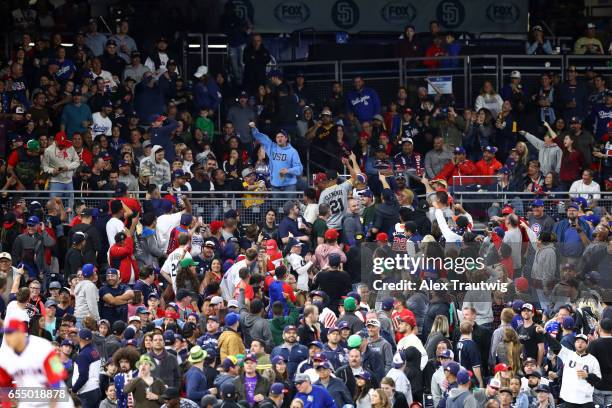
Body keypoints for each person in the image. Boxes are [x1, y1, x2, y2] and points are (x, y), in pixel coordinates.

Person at [0, 318, 73, 407]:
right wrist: (7, 404)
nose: (8, 337)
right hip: (30, 401)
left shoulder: (44, 346)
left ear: (21, 333)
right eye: (6, 334)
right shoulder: (4, 356)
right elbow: (5, 385)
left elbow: (57, 375)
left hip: (58, 399)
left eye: (11, 334)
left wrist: (53, 404)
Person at [249, 122, 303, 192]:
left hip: (289, 186)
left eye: (282, 137)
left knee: (290, 203)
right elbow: (262, 138)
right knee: (276, 203)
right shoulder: (272, 147)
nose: (279, 139)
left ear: (286, 138)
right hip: (275, 185)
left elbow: (299, 168)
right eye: (278, 137)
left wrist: (288, 171)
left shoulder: (293, 151)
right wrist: (253, 128)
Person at [72, 328, 102, 407]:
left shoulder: (83, 355)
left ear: (80, 338)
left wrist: (74, 389)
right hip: (96, 390)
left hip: (86, 392)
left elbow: (83, 376)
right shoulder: (94, 351)